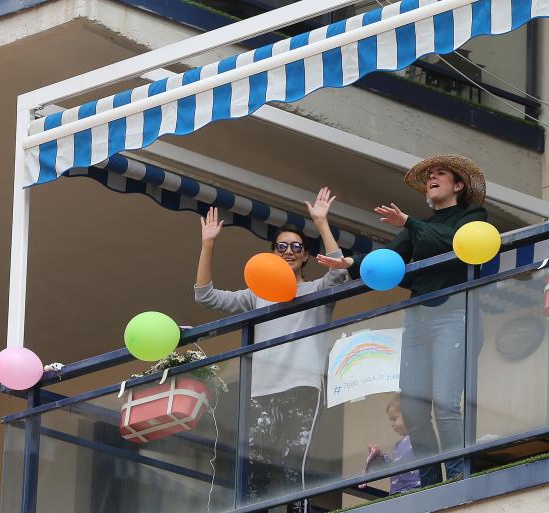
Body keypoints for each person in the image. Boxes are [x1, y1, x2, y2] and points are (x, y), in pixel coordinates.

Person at [318, 155, 488, 486]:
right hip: (419, 317)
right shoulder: (419, 227)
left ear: (458, 185)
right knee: (413, 408)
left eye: (441, 174)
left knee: (444, 402)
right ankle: (428, 480)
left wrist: (410, 221)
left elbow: (451, 241)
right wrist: (350, 262)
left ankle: (456, 477)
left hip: (454, 313)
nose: (433, 178)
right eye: (430, 176)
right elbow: (390, 257)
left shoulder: (473, 216)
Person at [194, 188, 348, 513]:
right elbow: (206, 297)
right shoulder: (255, 296)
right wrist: (208, 244)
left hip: (302, 390)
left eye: (296, 247)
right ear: (273, 254)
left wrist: (321, 222)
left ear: (305, 255)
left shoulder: (316, 291)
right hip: (261, 393)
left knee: (295, 472)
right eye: (282, 247)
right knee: (257, 479)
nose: (289, 251)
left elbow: (338, 272)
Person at [360, 395, 421, 495]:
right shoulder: (398, 445)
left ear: (409, 414)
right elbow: (394, 467)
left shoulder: (418, 437)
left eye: (394, 418)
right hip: (397, 492)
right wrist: (380, 456)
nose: (392, 424)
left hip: (414, 489)